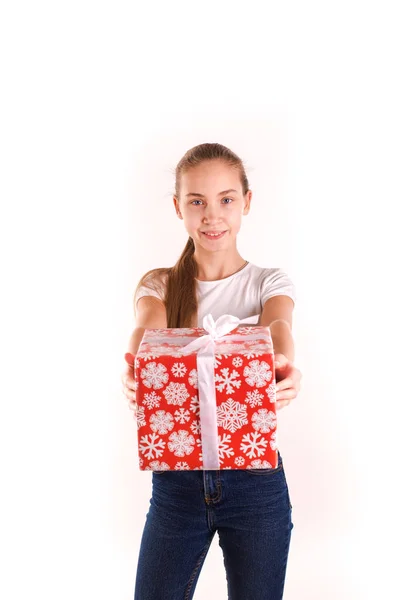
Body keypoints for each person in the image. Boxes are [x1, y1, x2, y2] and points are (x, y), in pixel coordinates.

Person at [121, 142, 302, 600]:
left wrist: (283, 365)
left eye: (226, 199)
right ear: (178, 207)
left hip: (256, 487)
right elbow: (147, 328)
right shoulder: (159, 283)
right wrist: (137, 366)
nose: (212, 215)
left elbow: (279, 324)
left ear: (247, 202)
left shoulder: (268, 282)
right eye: (197, 201)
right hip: (177, 486)